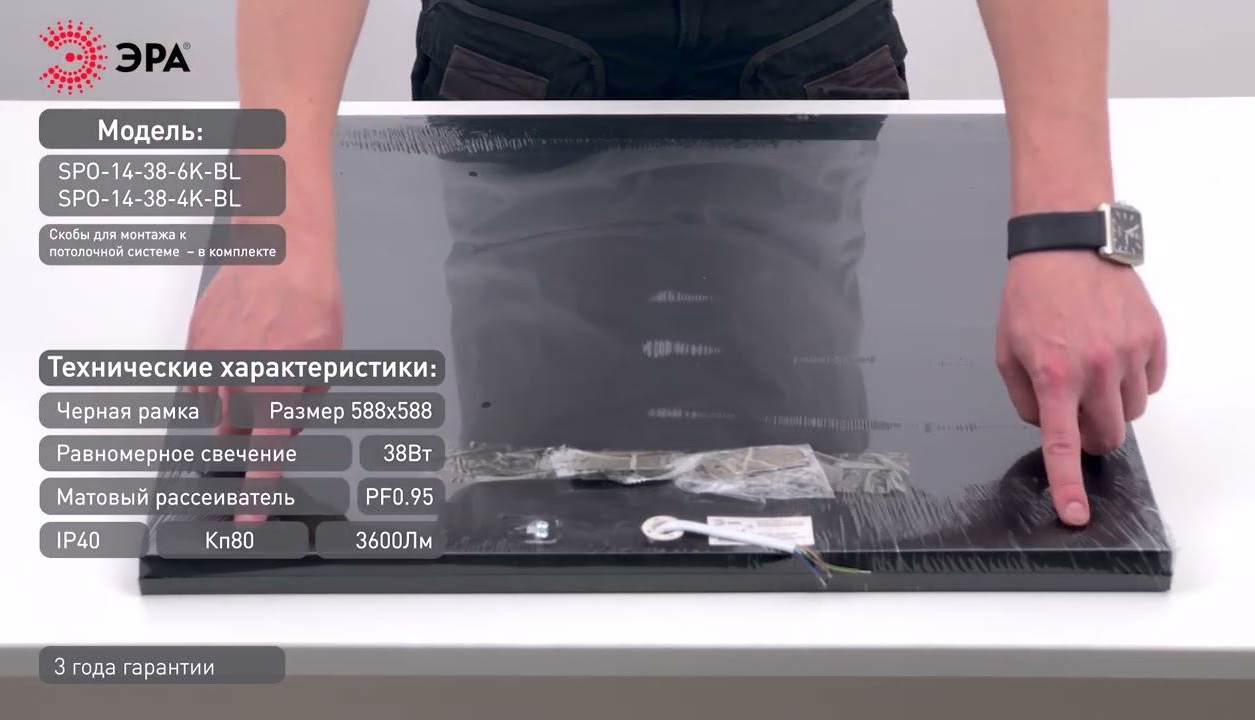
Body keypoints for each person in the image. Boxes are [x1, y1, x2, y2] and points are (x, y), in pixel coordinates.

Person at [189, 0, 1167, 527]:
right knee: (527, 539)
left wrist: (1071, 227)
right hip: (526, 59)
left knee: (797, 541)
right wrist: (274, 226)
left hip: (805, 59)